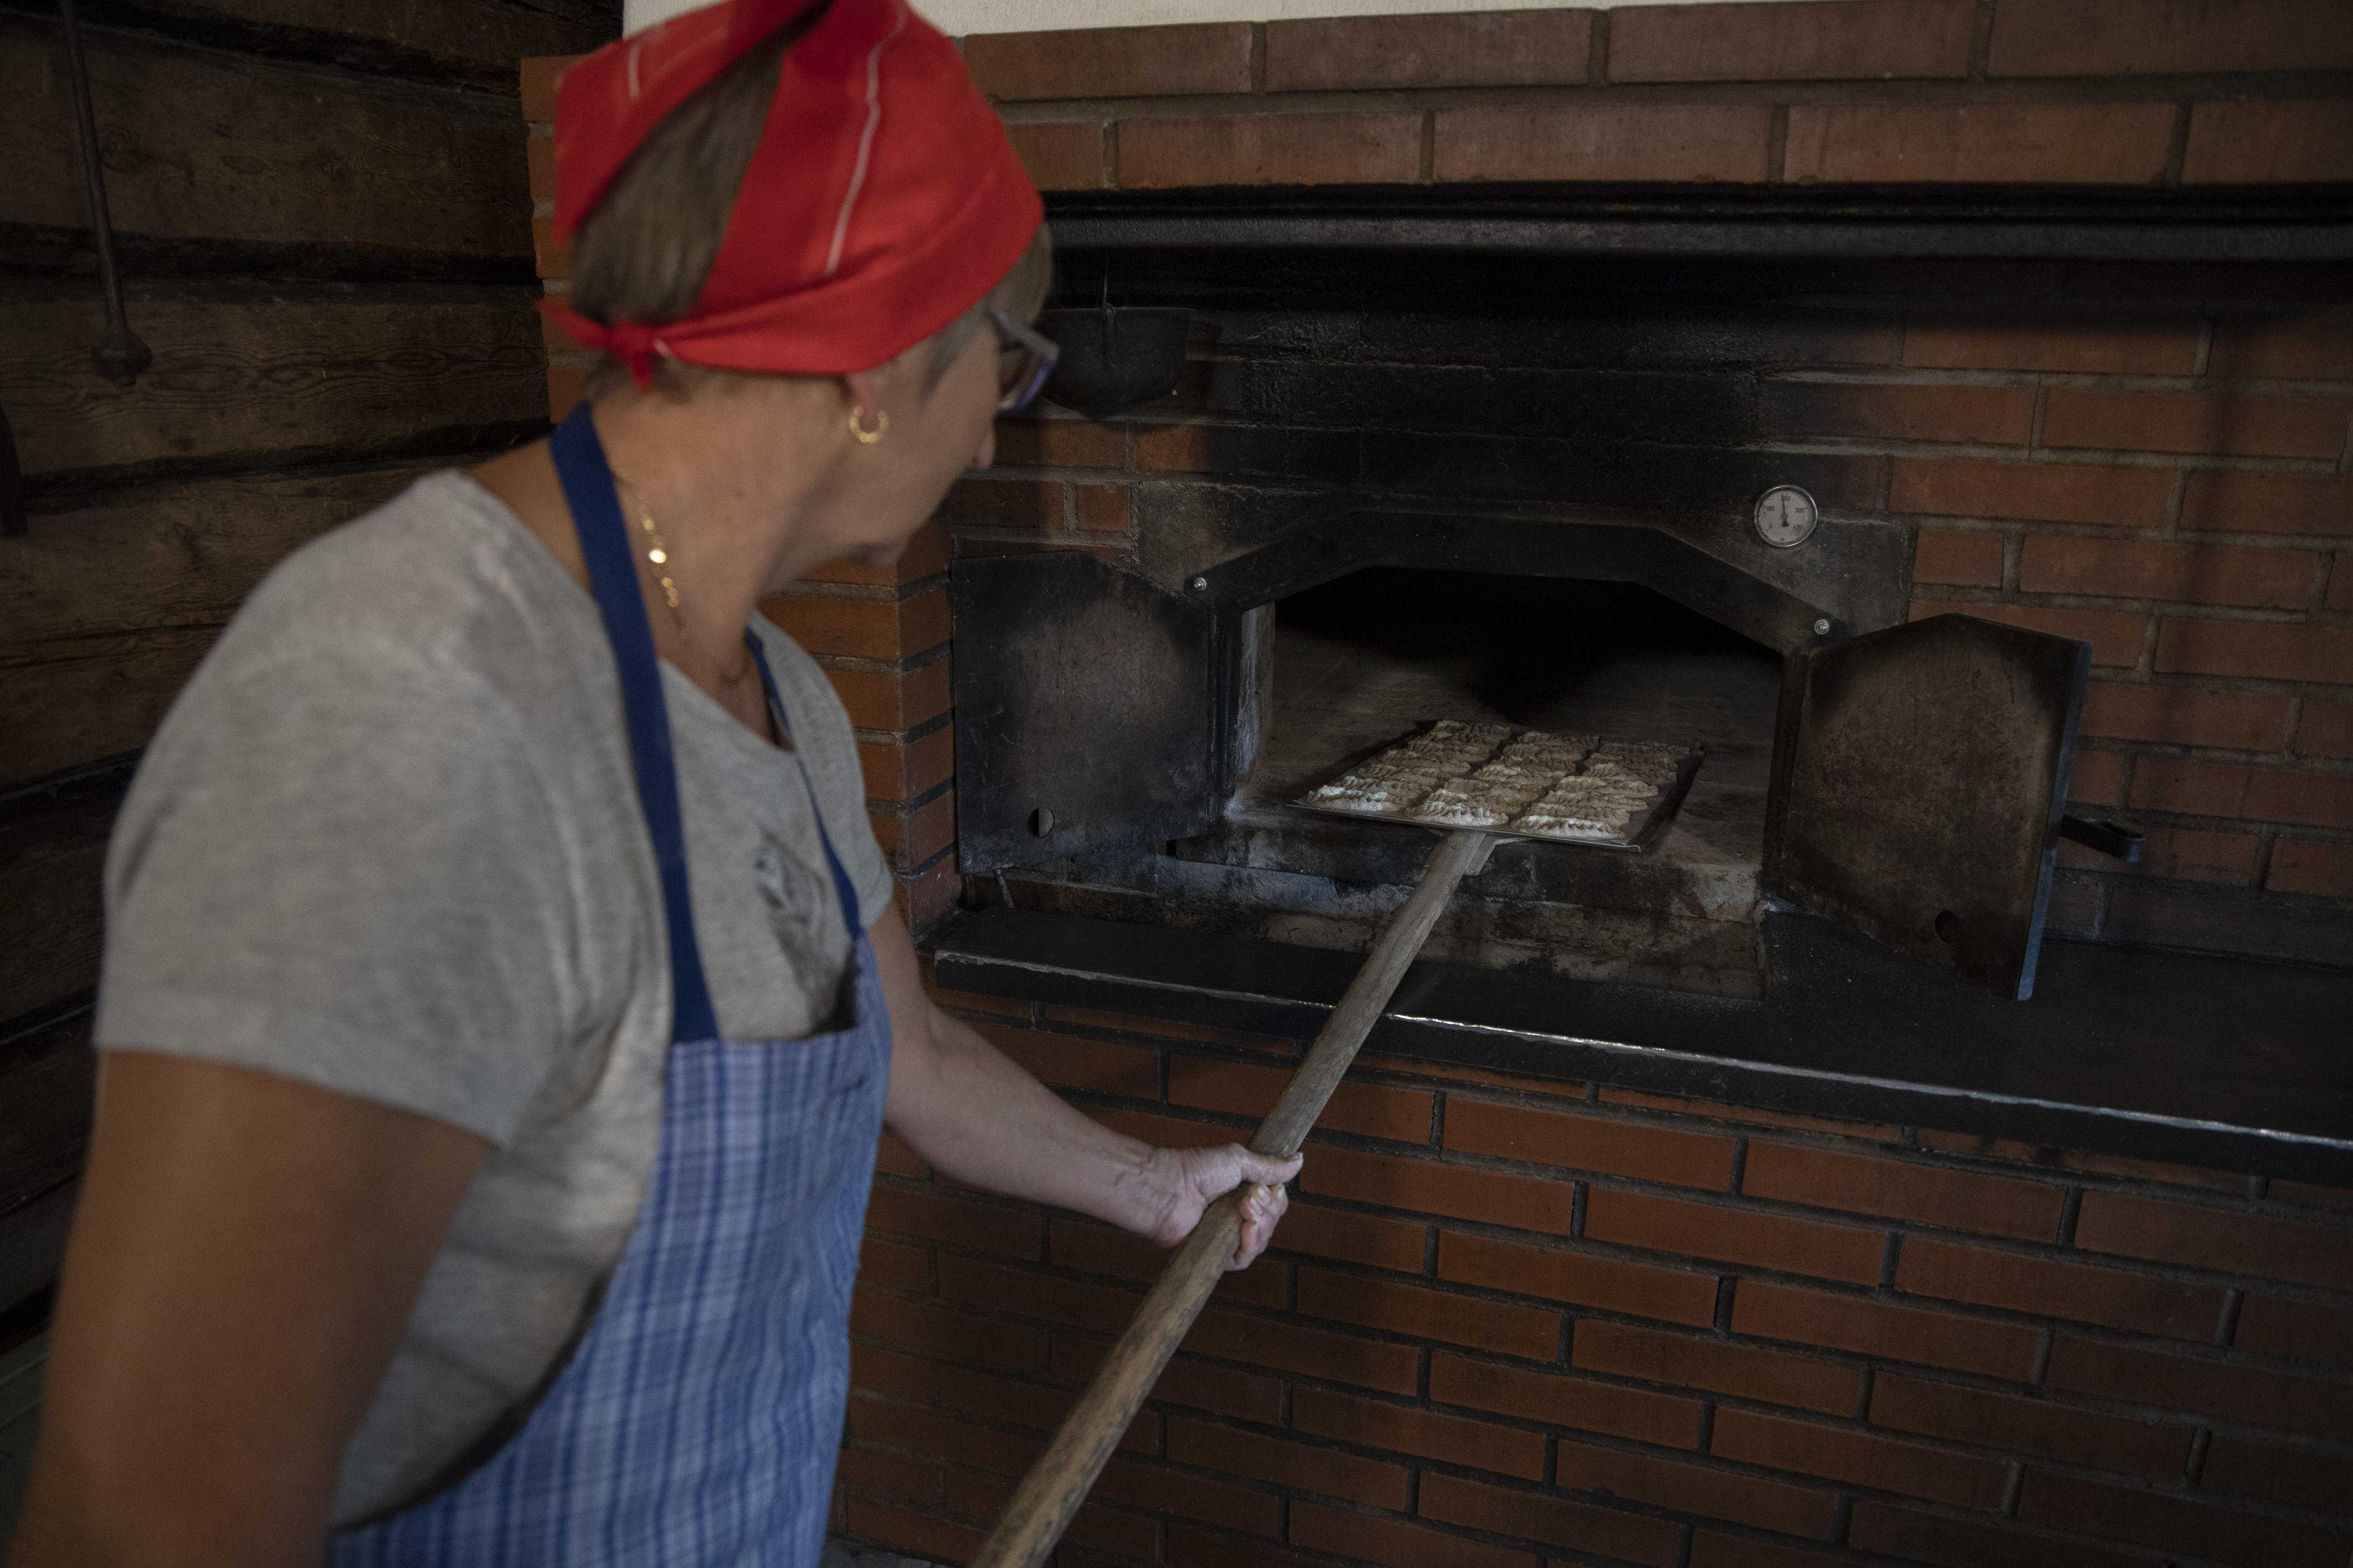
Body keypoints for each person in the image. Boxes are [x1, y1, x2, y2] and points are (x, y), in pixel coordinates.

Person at [4, 2, 1299, 1562]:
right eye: (1006, 370)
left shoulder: (781, 695)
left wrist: (1152, 1183)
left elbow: (918, 1052)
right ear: (883, 362)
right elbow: (144, 1513)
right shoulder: (404, 711)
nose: (985, 445)